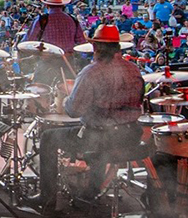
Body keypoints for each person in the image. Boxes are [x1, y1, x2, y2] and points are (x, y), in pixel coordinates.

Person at [27, 24, 144, 206]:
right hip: (131, 134)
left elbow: (74, 110)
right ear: (117, 47)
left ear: (96, 47)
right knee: (94, 131)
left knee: (49, 138)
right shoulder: (134, 69)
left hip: (103, 137)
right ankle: (91, 191)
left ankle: (47, 199)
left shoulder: (91, 72)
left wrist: (67, 97)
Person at [21, 0, 86, 84]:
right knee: (67, 90)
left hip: (47, 61)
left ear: (47, 5)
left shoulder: (42, 20)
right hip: (67, 60)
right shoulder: (72, 20)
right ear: (62, 6)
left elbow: (29, 40)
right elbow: (81, 42)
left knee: (40, 89)